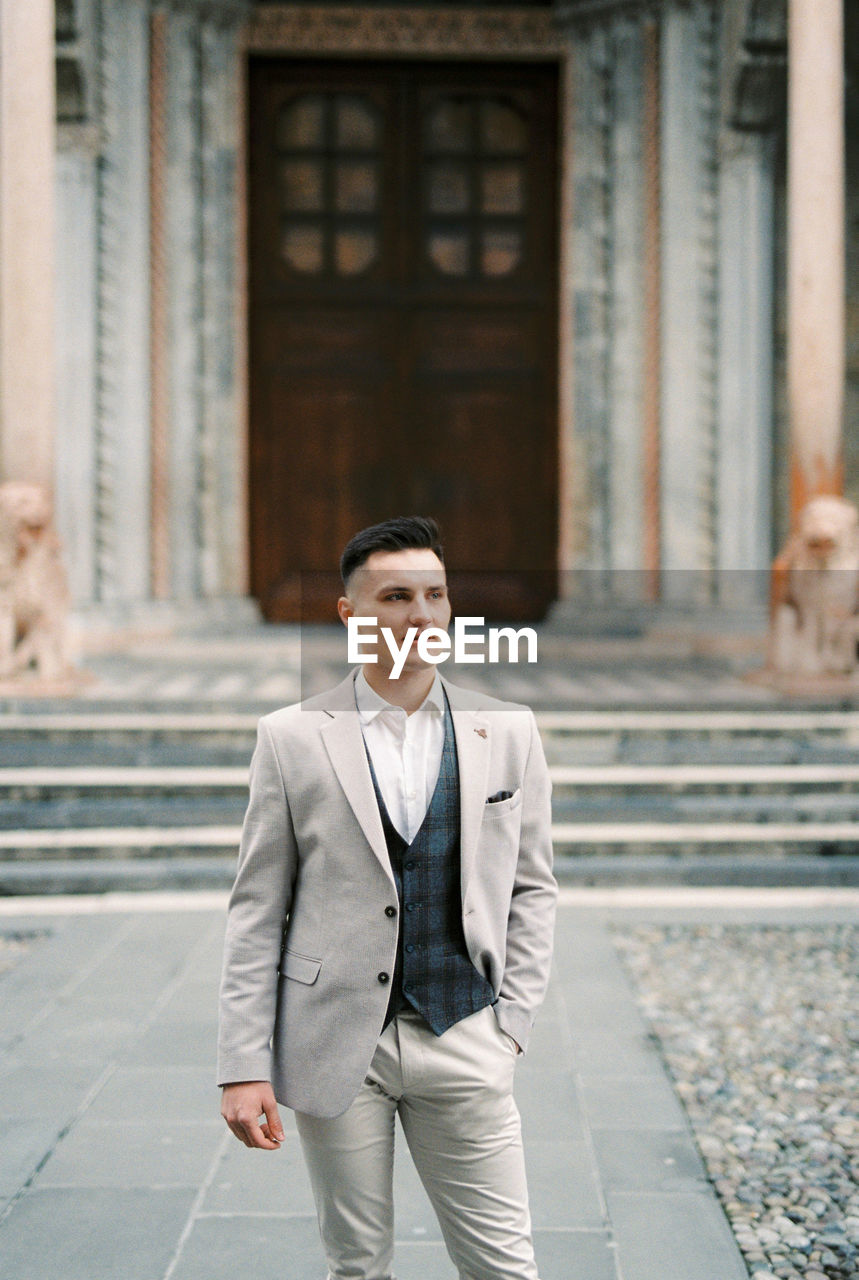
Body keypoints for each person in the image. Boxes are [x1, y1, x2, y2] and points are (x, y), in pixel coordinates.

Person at [218, 515, 557, 1280]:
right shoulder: (290, 738)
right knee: (356, 1265)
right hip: (337, 1044)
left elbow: (532, 887)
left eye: (434, 595)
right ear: (350, 614)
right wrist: (243, 1064)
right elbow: (255, 910)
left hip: (465, 1033)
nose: (421, 614)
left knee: (504, 1267)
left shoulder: (506, 730)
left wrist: (513, 1024)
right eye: (396, 595)